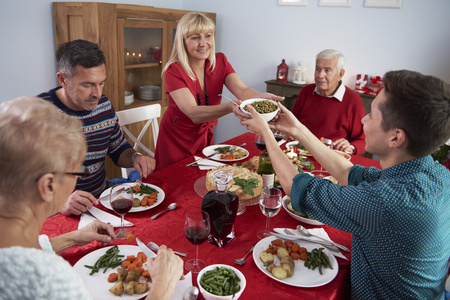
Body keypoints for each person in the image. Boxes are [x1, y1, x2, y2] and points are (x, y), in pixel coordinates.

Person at [241, 70, 450, 299]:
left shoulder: (386, 202)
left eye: (371, 114)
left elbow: (297, 187)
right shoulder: (436, 174)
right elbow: (348, 172)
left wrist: (266, 133)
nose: (363, 119)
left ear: (395, 138)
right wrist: (297, 130)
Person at [0, 97, 183, 300]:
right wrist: (162, 286)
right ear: (48, 186)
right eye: (77, 172)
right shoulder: (50, 279)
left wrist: (72, 237)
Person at [38, 39, 155, 216]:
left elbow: (117, 149)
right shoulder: (35, 115)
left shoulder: (104, 105)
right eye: (88, 85)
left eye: (101, 83)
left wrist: (135, 158)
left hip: (101, 204)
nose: (97, 94)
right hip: (56, 214)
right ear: (63, 79)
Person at [154, 12, 283, 171]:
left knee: (201, 180)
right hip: (176, 140)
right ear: (182, 42)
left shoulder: (220, 61)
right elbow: (193, 113)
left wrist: (260, 98)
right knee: (174, 183)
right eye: (195, 38)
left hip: (204, 138)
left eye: (208, 36)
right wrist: (229, 107)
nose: (203, 43)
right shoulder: (173, 71)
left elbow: (242, 90)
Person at [291, 49, 366, 154]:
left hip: (332, 158)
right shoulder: (306, 91)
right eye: (317, 69)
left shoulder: (353, 101)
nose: (320, 75)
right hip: (300, 153)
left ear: (340, 74)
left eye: (327, 70)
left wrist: (351, 147)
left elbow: (362, 140)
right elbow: (292, 123)